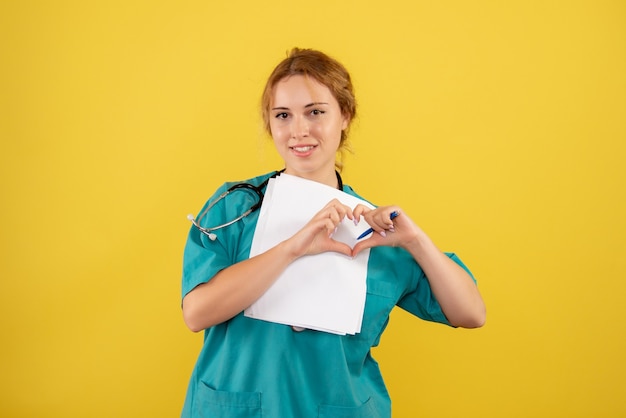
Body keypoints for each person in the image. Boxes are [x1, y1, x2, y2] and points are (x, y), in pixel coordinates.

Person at [180, 48, 486, 418]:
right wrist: (292, 248)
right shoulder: (235, 208)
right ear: (269, 123)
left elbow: (471, 312)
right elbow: (196, 313)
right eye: (283, 115)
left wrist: (415, 241)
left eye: (315, 112)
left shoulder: (372, 228)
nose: (299, 131)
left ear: (345, 115)